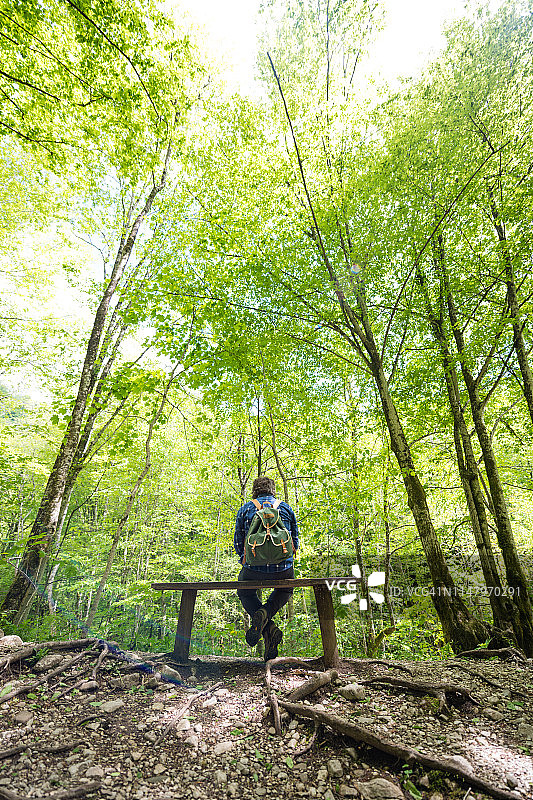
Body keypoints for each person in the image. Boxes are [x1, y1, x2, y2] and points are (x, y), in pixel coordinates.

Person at [234, 476, 299, 661]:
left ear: (255, 490)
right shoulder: (285, 508)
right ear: (273, 490)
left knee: (245, 592)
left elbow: (239, 542)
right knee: (286, 588)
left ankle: (267, 625)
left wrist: (247, 560)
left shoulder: (246, 509)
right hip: (283, 569)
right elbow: (295, 541)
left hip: (252, 568)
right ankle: (267, 618)